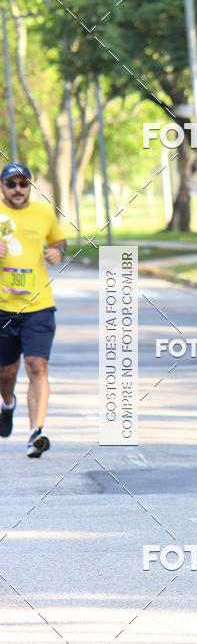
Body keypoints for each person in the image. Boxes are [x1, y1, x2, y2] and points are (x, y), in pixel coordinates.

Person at [0, 163, 67, 457]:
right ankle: (7, 404)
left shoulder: (43, 213)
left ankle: (35, 434)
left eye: (23, 184)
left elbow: (58, 239)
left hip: (39, 306)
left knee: (36, 366)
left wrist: (58, 251)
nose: (18, 189)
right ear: (2, 186)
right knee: (6, 374)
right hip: (3, 308)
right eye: (11, 184)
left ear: (29, 186)